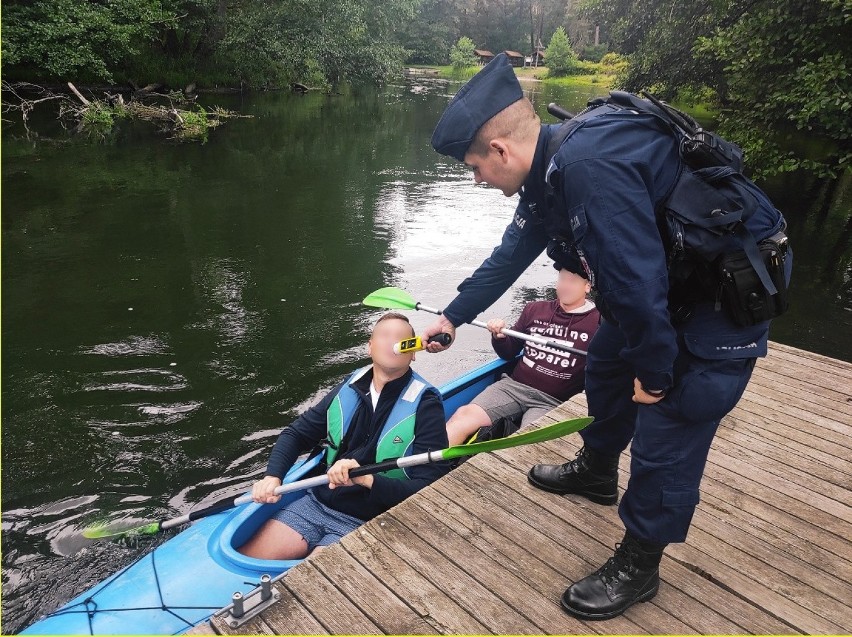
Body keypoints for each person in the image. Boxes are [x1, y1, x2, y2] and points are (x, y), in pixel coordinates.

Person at [422, 53, 791, 620]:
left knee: (670, 425)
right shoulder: (551, 167)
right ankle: (597, 471)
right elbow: (510, 255)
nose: (476, 180)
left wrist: (658, 374)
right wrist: (452, 315)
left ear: (499, 149)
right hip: (664, 288)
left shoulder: (588, 165)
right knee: (607, 363)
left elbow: (635, 282)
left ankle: (640, 564)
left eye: (474, 167)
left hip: (720, 301)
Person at [239, 312, 449, 560]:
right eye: (384, 335)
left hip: (371, 519)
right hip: (317, 502)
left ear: (412, 352)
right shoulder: (349, 387)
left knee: (310, 582)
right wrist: (273, 476)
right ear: (370, 347)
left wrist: (368, 479)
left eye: (402, 337)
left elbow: (430, 485)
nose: (392, 341)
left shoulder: (426, 402)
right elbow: (296, 433)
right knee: (250, 559)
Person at [446, 266, 599, 446]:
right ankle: (426, 468)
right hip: (513, 387)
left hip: (553, 401)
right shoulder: (534, 309)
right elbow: (508, 353)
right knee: (464, 415)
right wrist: (499, 336)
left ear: (587, 286)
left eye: (572, 281)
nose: (565, 286)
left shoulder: (599, 323)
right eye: (562, 279)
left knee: (525, 444)